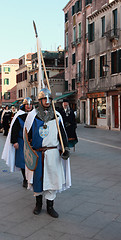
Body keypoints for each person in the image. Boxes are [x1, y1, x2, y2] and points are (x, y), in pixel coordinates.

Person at [24, 88, 71, 218]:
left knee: (51, 180)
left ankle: (50, 206)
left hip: (52, 154)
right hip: (38, 154)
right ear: (39, 100)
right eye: (44, 99)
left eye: (49, 99)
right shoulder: (33, 116)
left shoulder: (57, 116)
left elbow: (62, 135)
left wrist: (65, 148)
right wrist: (30, 150)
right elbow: (27, 137)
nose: (47, 101)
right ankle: (38, 204)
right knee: (37, 180)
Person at [1, 98, 33, 188]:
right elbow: (14, 130)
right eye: (27, 104)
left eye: (30, 104)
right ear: (24, 105)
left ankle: (31, 178)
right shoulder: (19, 116)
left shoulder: (34, 115)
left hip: (31, 142)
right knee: (23, 161)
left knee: (32, 161)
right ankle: (25, 179)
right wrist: (14, 141)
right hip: (21, 141)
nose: (29, 106)